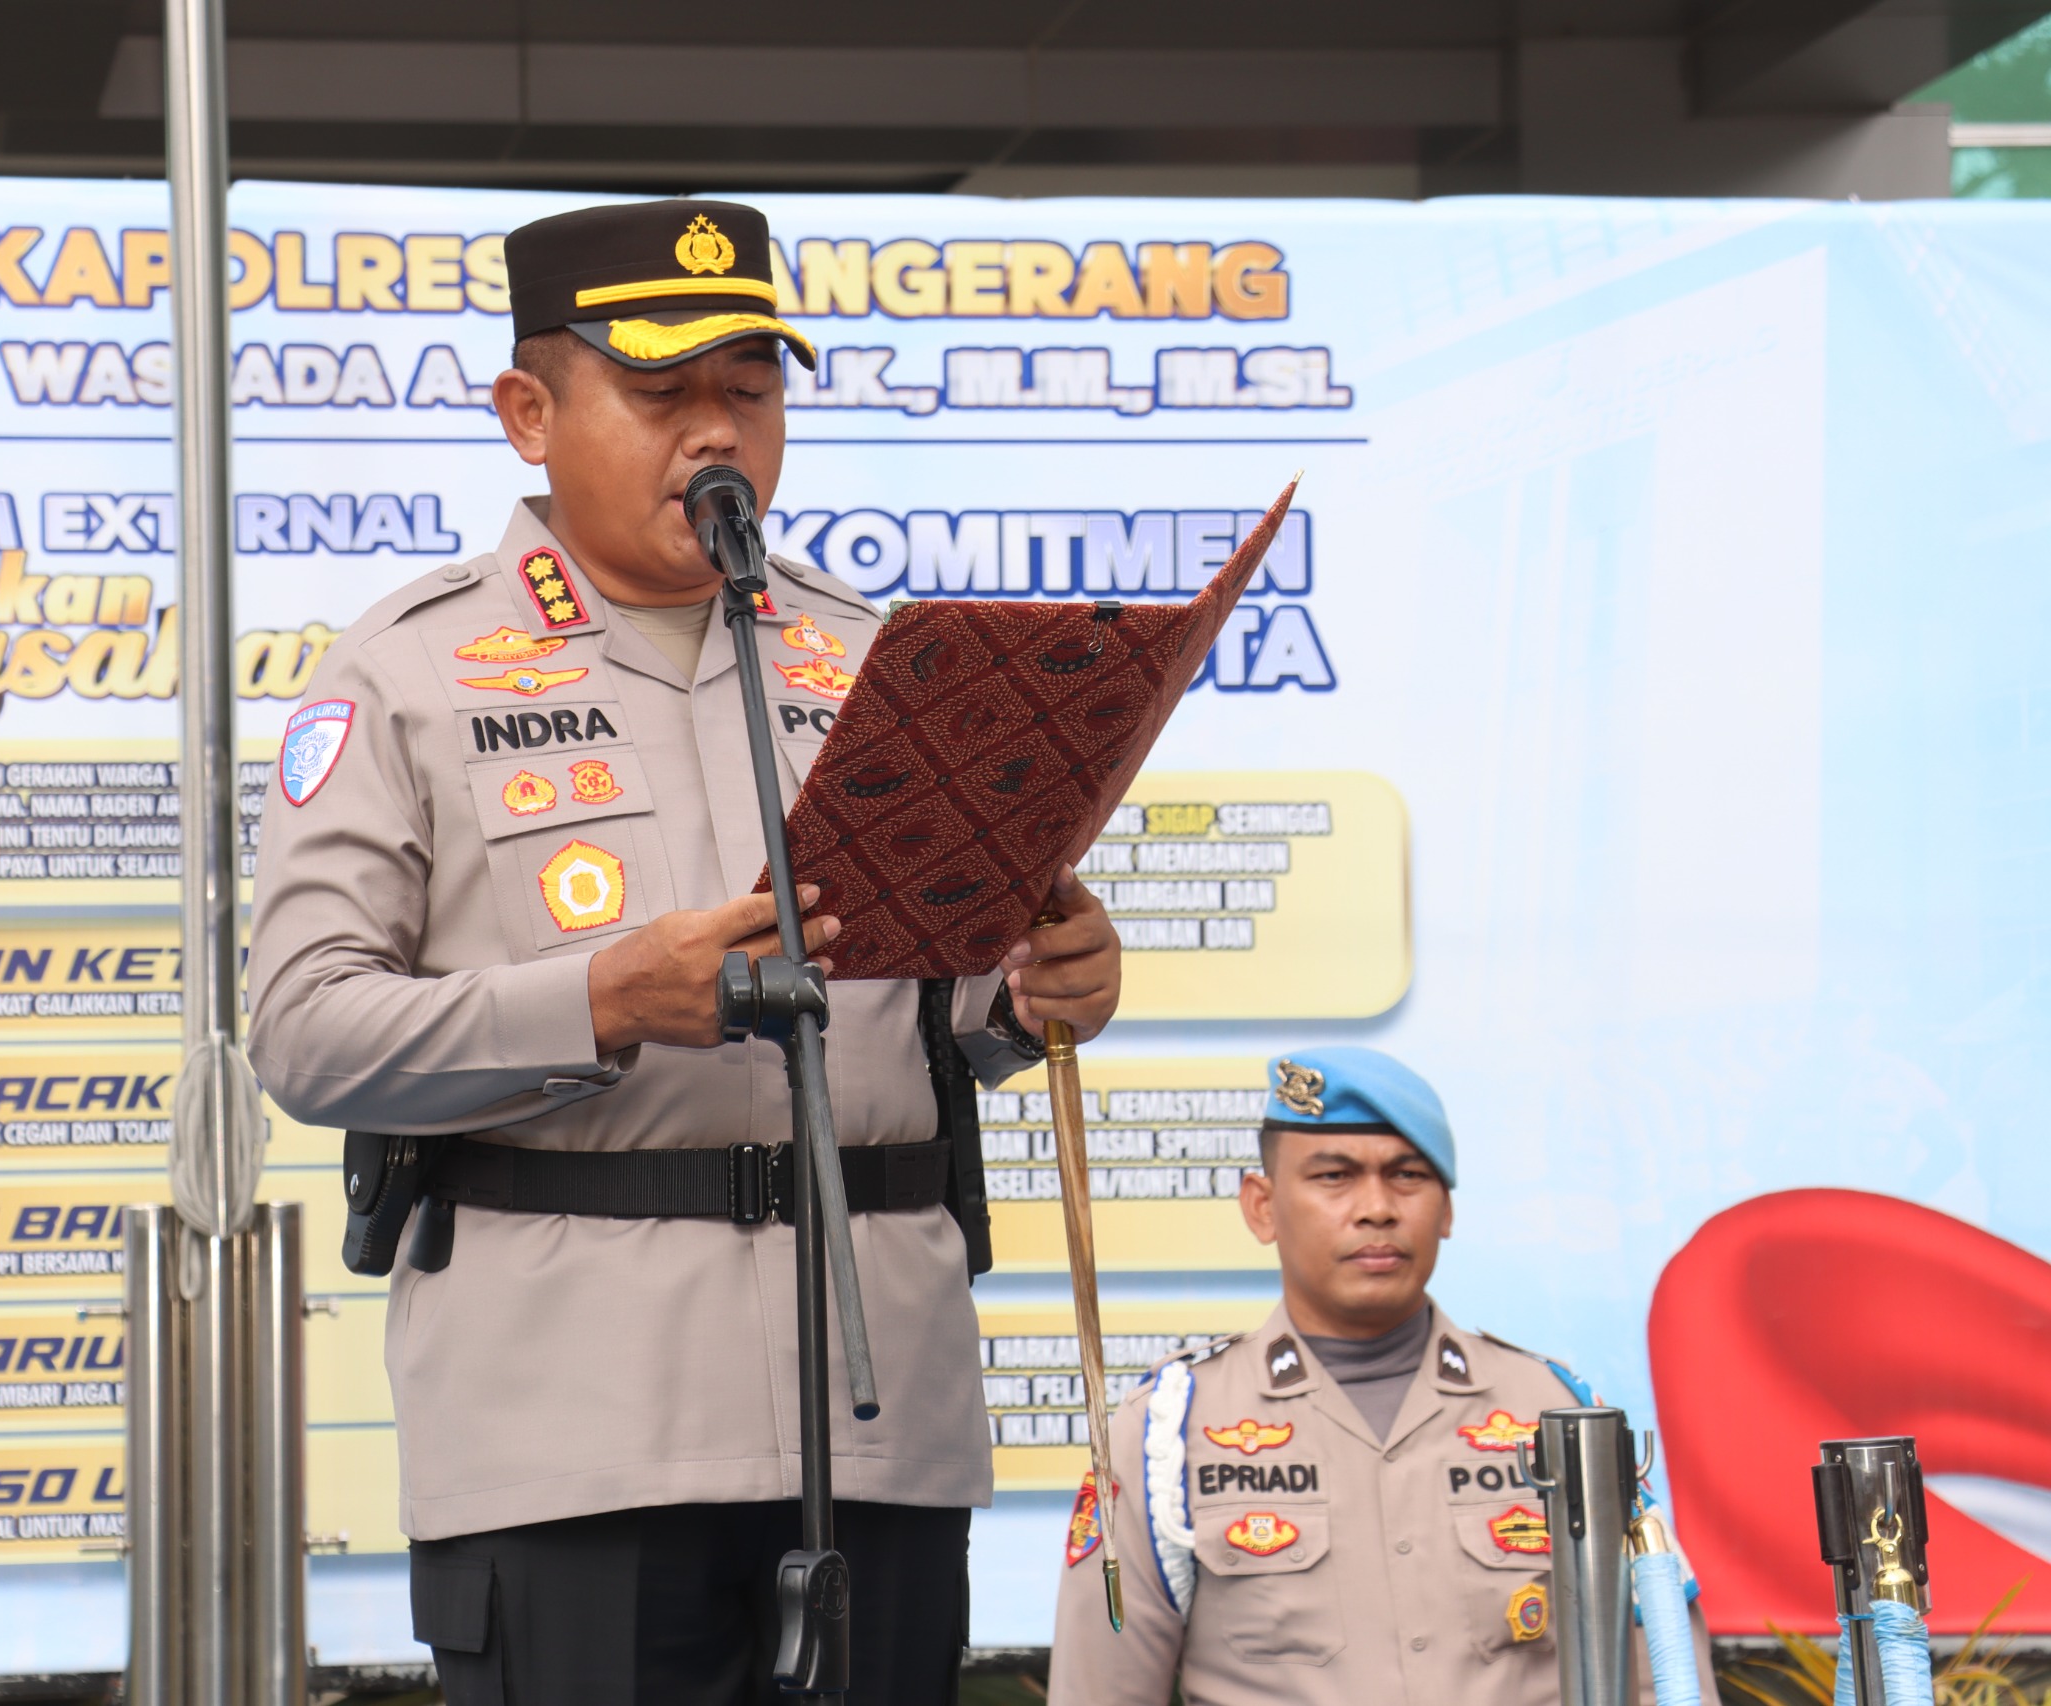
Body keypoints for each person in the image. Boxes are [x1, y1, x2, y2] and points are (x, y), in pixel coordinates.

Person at [247, 198, 1126, 1705]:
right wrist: (603, 1000)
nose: (717, 431)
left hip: (878, 1426)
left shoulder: (874, 655)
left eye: (750, 389)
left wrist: (1031, 997)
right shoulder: (407, 671)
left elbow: (928, 1021)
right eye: (662, 392)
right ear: (529, 415)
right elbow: (305, 1031)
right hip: (578, 1443)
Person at [1048, 1047, 1719, 1706]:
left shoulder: (1555, 1412)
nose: (1376, 1208)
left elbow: (1665, 1680)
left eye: (1407, 1176)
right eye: (1334, 1176)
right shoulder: (1167, 1431)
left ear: (1446, 1208)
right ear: (1262, 1206)